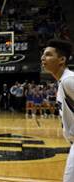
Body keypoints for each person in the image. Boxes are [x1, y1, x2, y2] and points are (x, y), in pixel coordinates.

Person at [41, 39, 74, 182]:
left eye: (48, 54)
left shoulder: (69, 80)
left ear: (61, 60)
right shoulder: (62, 81)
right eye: (43, 54)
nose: (43, 58)